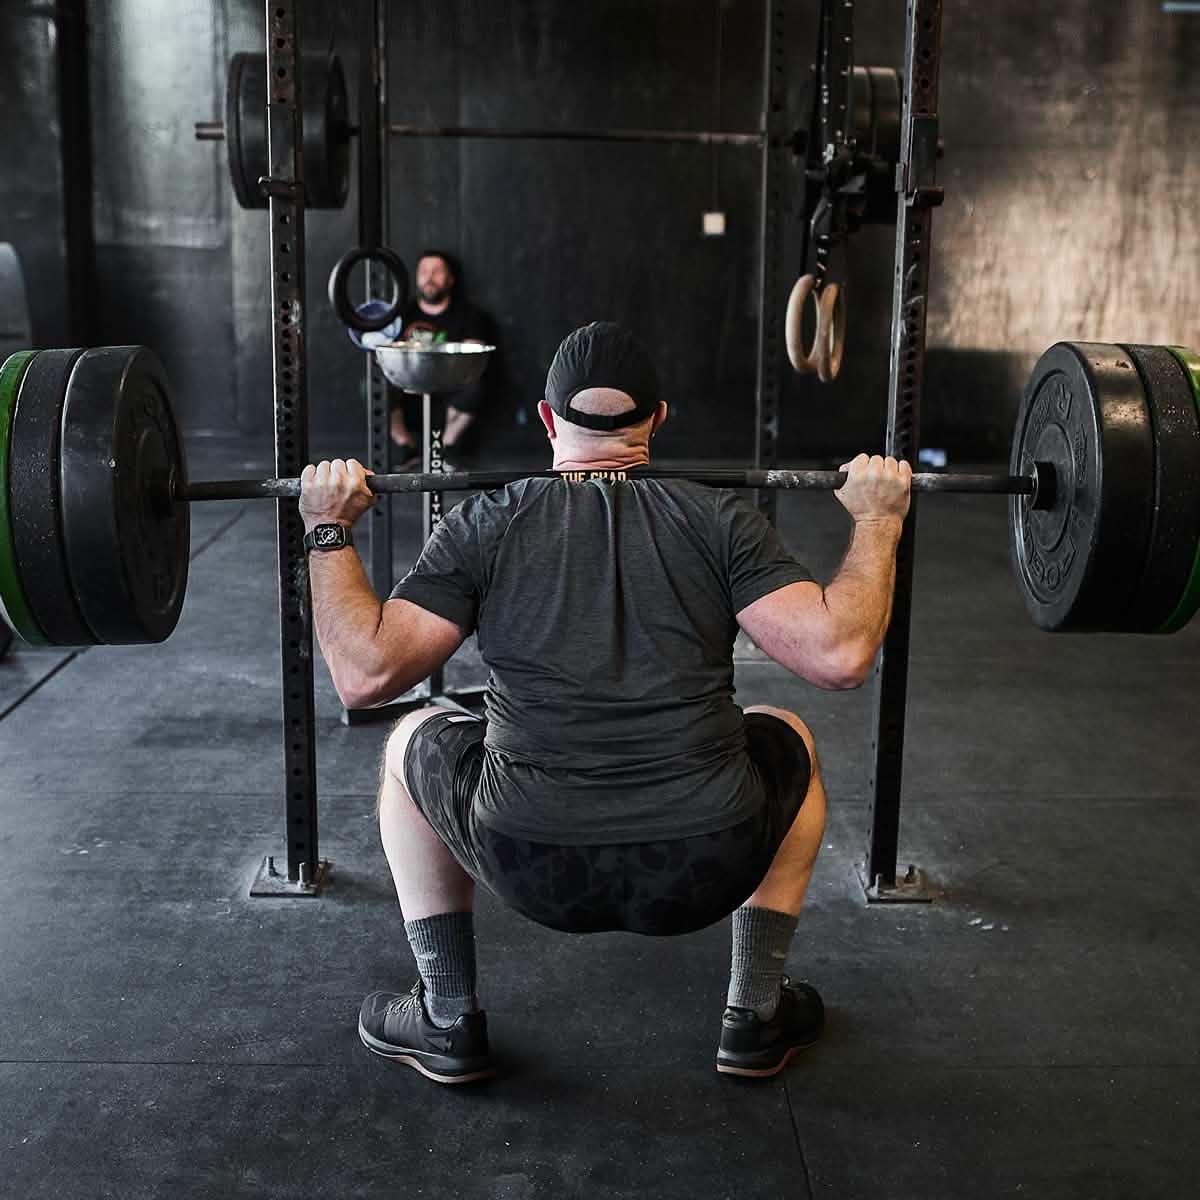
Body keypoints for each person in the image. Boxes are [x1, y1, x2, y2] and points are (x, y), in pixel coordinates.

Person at [298, 321, 911, 1085]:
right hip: (707, 858)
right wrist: (879, 520)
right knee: (786, 735)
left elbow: (364, 676)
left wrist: (328, 527)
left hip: (529, 860)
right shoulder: (721, 520)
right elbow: (840, 656)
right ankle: (755, 1013)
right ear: (659, 419)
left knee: (412, 736)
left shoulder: (486, 523)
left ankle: (446, 1017)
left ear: (548, 420)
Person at [386, 250, 494, 468]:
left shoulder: (469, 315)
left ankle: (445, 448)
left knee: (479, 384)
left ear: (450, 279)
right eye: (424, 271)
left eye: (437, 271)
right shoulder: (401, 315)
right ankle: (406, 446)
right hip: (409, 388)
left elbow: (472, 358)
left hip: (450, 389)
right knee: (374, 385)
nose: (429, 277)